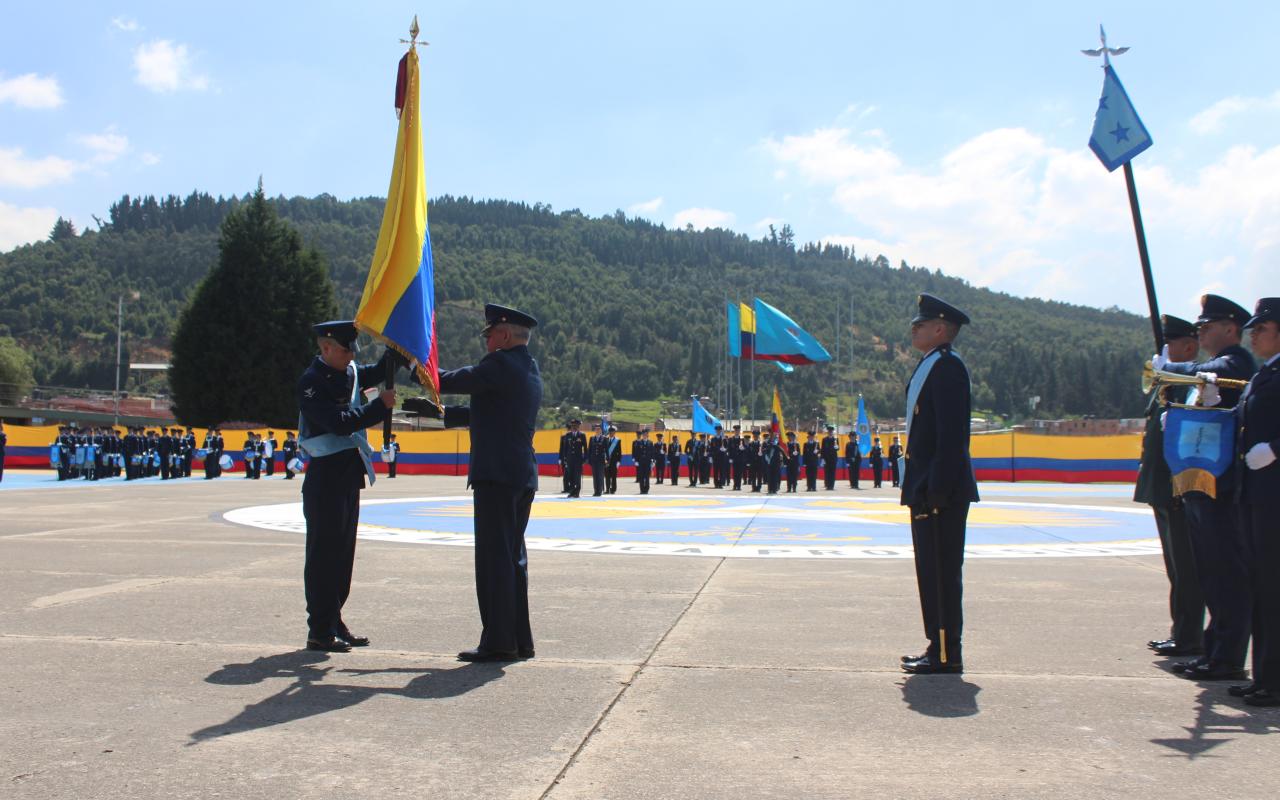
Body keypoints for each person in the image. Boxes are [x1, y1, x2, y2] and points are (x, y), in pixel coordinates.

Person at [408, 303, 542, 662]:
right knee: (513, 559)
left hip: (496, 475)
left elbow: (453, 380)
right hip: (519, 475)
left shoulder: (499, 364)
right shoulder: (527, 368)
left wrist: (415, 366)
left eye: (489, 335)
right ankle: (518, 639)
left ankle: (498, 641)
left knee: (494, 561)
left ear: (504, 335)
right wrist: (435, 412)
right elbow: (482, 411)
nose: (486, 342)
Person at [1158, 294, 1256, 681]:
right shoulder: (1217, 366)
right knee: (1211, 572)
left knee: (1226, 573)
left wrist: (1181, 370)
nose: (1201, 333)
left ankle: (1226, 656)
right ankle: (1215, 650)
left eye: (1206, 327)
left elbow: (1209, 372)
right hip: (1205, 482)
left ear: (1230, 329)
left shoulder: (1234, 362)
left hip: (1223, 485)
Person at [297, 320, 399, 653]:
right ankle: (319, 630)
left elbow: (376, 371)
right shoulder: (311, 383)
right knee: (323, 557)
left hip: (348, 475)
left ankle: (334, 620)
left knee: (343, 557)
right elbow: (338, 423)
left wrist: (395, 349)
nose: (351, 354)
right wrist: (377, 407)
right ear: (326, 348)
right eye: (345, 349)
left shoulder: (349, 372)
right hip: (325, 478)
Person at [900, 293, 979, 675]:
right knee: (930, 571)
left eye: (922, 323)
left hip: (939, 491)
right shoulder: (931, 364)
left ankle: (947, 652)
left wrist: (937, 488)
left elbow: (951, 437)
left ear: (941, 329)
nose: (914, 328)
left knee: (942, 571)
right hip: (926, 487)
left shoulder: (946, 367)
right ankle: (937, 645)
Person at [1136, 315, 1204, 659]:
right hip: (1160, 486)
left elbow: (1202, 381)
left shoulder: (1192, 376)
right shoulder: (1169, 379)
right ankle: (1181, 630)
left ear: (1189, 347)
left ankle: (1189, 635)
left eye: (1172, 345)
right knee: (1175, 567)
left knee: (1186, 568)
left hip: (1176, 487)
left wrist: (1177, 370)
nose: (1166, 351)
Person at [1230, 299, 1280, 706]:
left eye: (1261, 329)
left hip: (1274, 497)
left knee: (1274, 589)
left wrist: (1276, 449)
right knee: (1261, 586)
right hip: (1256, 495)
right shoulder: (1265, 374)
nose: (1253, 336)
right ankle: (1265, 676)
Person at [561, 419, 586, 497]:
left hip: (578, 460)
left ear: (578, 426)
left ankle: (577, 492)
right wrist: (564, 459)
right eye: (573, 426)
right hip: (569, 459)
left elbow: (585, 448)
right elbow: (565, 448)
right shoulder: (567, 435)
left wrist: (585, 459)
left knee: (577, 476)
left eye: (576, 426)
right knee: (570, 476)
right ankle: (571, 491)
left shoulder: (582, 435)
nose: (574, 427)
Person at [588, 423, 608, 497]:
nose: (597, 430)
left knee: (600, 476)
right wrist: (589, 459)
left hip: (601, 460)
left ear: (601, 430)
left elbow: (606, 450)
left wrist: (607, 459)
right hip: (593, 460)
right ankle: (595, 490)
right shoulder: (592, 438)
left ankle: (599, 491)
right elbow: (589, 450)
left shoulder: (604, 438)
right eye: (596, 429)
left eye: (598, 429)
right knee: (595, 476)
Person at [633, 428, 654, 494]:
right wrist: (636, 461)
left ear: (647, 435)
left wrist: (653, 461)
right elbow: (637, 452)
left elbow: (652, 453)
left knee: (647, 476)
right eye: (643, 434)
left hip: (648, 462)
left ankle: (646, 489)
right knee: (641, 476)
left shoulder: (650, 442)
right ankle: (642, 490)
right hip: (641, 462)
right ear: (642, 435)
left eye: (646, 434)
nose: (644, 435)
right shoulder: (639, 442)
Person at [821, 425, 839, 490]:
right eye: (829, 431)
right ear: (827, 432)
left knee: (832, 472)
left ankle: (832, 485)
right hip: (826, 458)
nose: (830, 432)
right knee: (827, 472)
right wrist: (822, 458)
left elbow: (837, 448)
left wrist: (837, 447)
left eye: (831, 431)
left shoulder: (835, 439)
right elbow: (822, 449)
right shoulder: (824, 439)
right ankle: (827, 485)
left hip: (833, 458)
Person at [605, 426, 622, 494]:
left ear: (615, 432)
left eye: (612, 432)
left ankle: (613, 489)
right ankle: (607, 489)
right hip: (606, 461)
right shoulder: (605, 439)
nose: (611, 433)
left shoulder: (617, 441)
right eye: (610, 432)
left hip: (614, 461)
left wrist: (618, 461)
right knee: (607, 476)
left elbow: (619, 452)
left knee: (613, 476)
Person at [728, 425, 745, 490]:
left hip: (740, 459)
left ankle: (739, 486)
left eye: (738, 430)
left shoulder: (742, 440)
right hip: (734, 458)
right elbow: (729, 449)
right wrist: (730, 458)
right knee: (735, 473)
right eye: (736, 430)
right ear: (734, 431)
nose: (737, 431)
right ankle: (735, 485)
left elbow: (746, 449)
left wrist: (743, 448)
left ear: (739, 431)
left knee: (740, 473)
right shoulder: (731, 439)